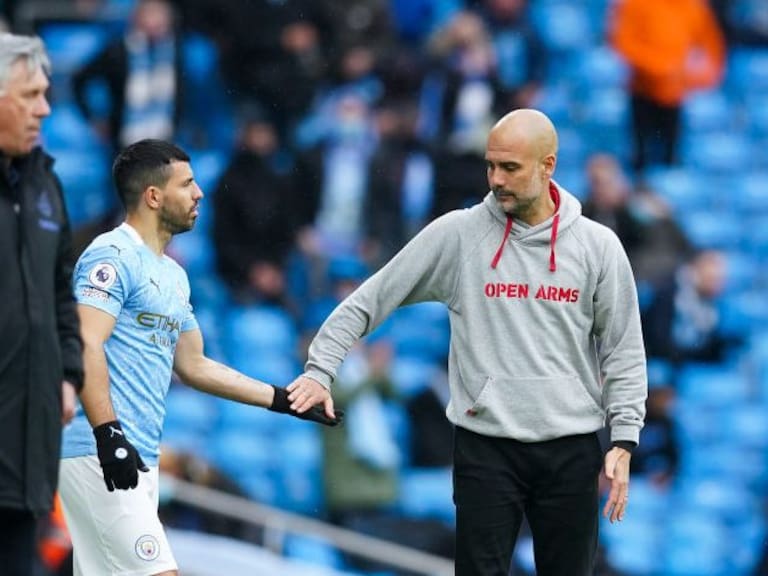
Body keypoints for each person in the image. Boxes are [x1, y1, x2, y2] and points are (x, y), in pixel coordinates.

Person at [287, 109, 648, 576]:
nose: (495, 179)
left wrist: (623, 439)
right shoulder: (459, 234)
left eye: (510, 168)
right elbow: (367, 301)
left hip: (571, 448)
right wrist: (321, 370)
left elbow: (624, 350)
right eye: (490, 165)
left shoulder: (598, 246)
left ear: (548, 165)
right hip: (486, 446)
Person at [58, 139, 342, 576]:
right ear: (153, 196)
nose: (199, 193)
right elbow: (85, 343)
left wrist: (282, 399)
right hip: (100, 452)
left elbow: (194, 366)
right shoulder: (109, 256)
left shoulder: (172, 274)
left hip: (139, 455)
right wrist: (108, 436)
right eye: (187, 184)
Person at [0, 33, 84, 576]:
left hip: (26, 458)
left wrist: (69, 374)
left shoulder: (45, 185)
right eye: (30, 94)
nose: (44, 108)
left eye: (46, 93)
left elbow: (61, 293)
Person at [609, 0, 726, 173]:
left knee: (672, 159)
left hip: (676, 95)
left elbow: (711, 48)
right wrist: (661, 68)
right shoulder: (635, 4)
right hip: (643, 91)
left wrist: (694, 77)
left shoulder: (693, 6)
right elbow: (623, 42)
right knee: (640, 158)